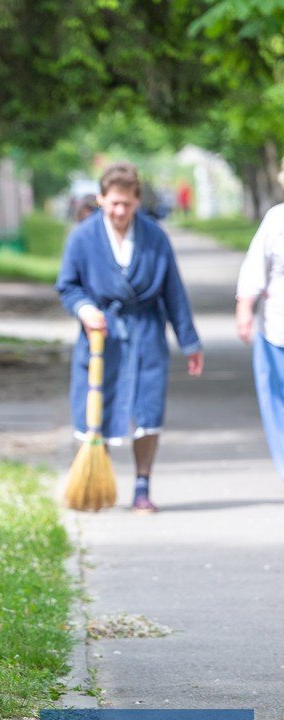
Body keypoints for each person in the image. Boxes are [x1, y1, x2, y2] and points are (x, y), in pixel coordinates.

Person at [55, 161, 204, 514]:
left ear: (137, 201)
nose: (120, 211)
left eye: (127, 204)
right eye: (114, 203)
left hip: (146, 332)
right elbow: (68, 285)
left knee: (148, 410)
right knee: (94, 408)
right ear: (101, 199)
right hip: (100, 336)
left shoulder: (155, 237)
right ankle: (97, 483)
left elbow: (173, 291)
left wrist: (189, 341)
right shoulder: (83, 237)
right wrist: (85, 309)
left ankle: (142, 487)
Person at [235, 161, 284, 480]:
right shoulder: (276, 219)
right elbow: (255, 267)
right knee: (277, 402)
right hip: (277, 330)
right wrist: (245, 309)